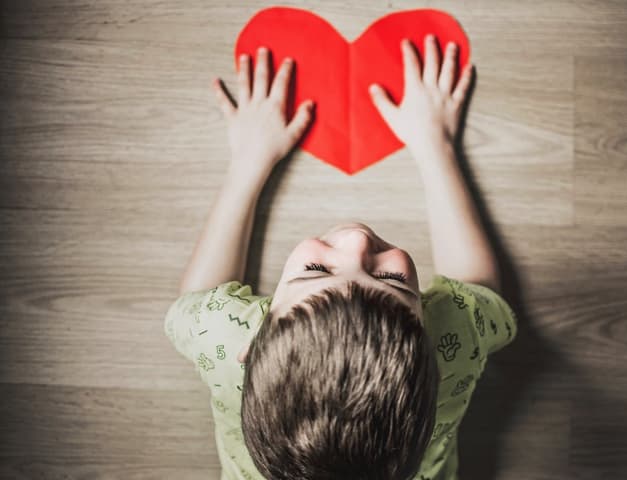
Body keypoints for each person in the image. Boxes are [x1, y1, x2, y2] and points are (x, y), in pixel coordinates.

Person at [164, 33, 518, 480]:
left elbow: (196, 300)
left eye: (316, 271)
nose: (356, 241)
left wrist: (248, 161)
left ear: (250, 346)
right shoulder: (452, 343)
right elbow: (479, 292)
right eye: (391, 281)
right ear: (432, 338)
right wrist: (435, 145)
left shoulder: (222, 337)